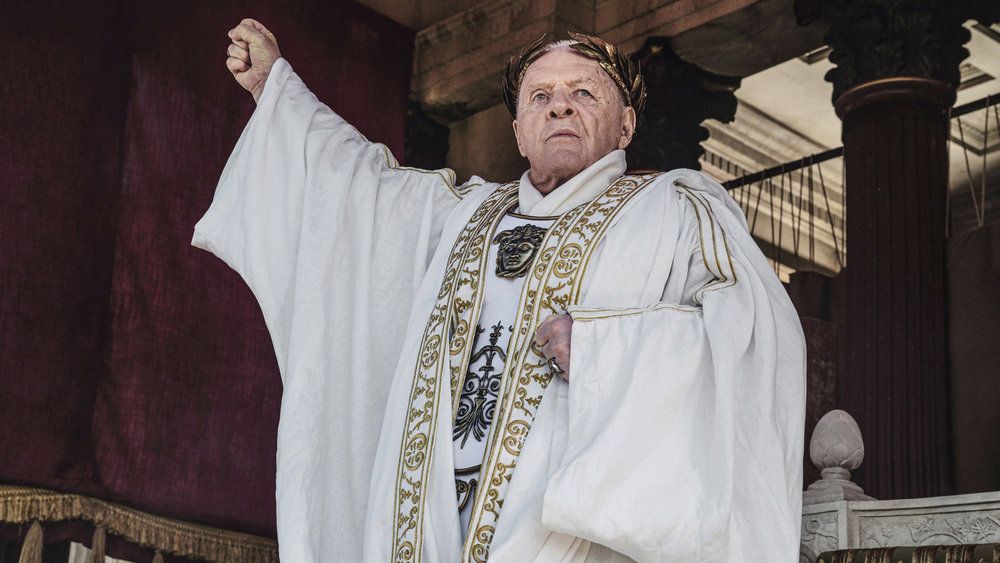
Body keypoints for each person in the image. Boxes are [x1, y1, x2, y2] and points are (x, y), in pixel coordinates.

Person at [194, 17, 806, 563]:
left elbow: (754, 340)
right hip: (431, 524)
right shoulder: (461, 214)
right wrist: (277, 90)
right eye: (540, 96)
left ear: (625, 125)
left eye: (583, 93)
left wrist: (608, 350)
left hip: (569, 538)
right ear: (517, 131)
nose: (559, 107)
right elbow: (359, 187)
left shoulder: (675, 212)